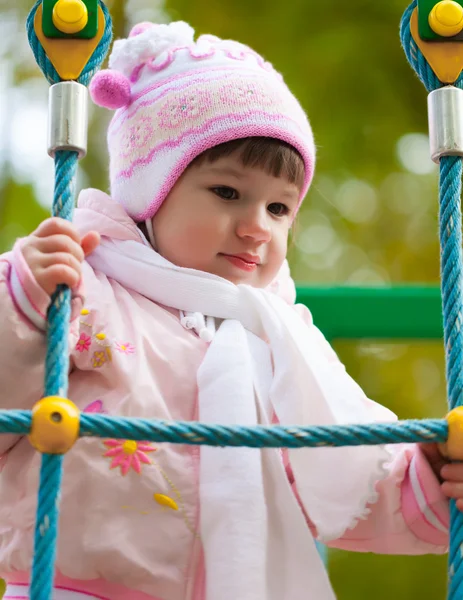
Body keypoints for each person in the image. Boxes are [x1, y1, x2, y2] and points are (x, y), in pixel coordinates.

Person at [0, 20, 459, 600]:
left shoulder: (280, 345)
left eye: (278, 208)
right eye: (226, 193)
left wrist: (432, 477)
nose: (255, 228)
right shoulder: (82, 291)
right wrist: (20, 303)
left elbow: (350, 478)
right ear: (150, 190)